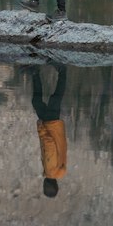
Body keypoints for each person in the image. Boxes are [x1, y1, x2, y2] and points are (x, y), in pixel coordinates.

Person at [31, 65, 67, 197]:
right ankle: (61, 71)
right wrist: (41, 128)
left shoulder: (59, 171)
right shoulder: (51, 170)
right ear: (47, 185)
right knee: (54, 98)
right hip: (49, 126)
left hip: (56, 128)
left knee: (41, 101)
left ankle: (35, 72)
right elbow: (49, 145)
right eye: (45, 187)